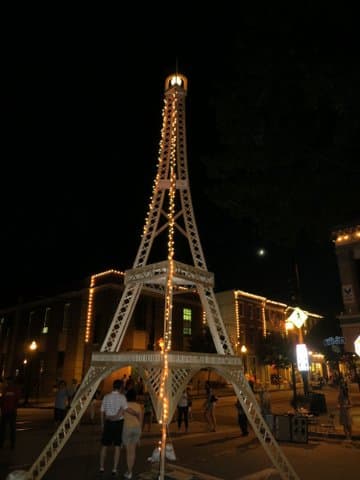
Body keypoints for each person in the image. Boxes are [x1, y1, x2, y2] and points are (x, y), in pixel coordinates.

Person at [99, 379, 139, 476]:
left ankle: (101, 467)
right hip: (118, 424)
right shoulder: (122, 397)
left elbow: (102, 411)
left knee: (104, 446)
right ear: (121, 387)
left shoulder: (106, 397)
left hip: (108, 423)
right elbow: (127, 409)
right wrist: (136, 413)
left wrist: (102, 424)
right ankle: (114, 468)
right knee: (117, 446)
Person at [122, 388, 143, 479]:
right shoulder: (138, 406)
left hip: (127, 428)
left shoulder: (125, 405)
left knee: (128, 452)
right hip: (136, 428)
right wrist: (140, 434)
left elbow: (121, 418)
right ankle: (130, 471)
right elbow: (141, 420)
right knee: (133, 451)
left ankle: (129, 471)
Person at [0, 376, 21, 449]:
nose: (7, 383)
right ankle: (11, 444)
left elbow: (2, 400)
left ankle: (3, 443)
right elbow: (17, 400)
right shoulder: (14, 389)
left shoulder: (6, 390)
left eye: (8, 381)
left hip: (7, 411)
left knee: (4, 428)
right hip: (10, 411)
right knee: (11, 428)